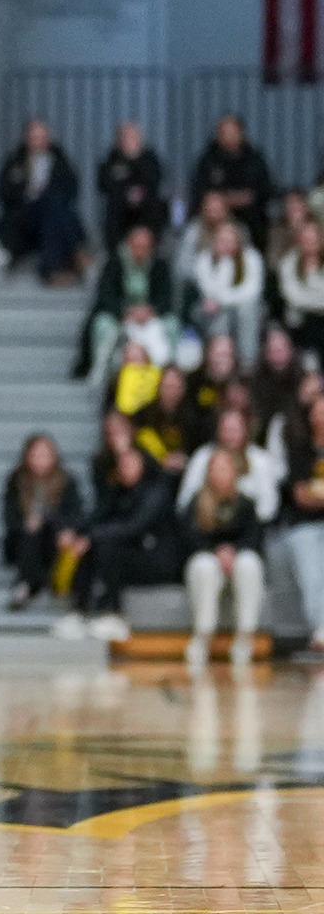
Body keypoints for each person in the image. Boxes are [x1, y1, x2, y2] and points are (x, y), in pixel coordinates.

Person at [53, 446, 176, 642]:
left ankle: (113, 613)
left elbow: (134, 527)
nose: (125, 468)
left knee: (106, 547)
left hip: (157, 560)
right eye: (121, 464)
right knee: (91, 547)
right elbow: (95, 518)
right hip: (127, 555)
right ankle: (79, 611)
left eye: (130, 463)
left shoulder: (157, 491)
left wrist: (91, 538)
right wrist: (74, 533)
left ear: (144, 464)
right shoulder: (117, 491)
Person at [180, 450, 266, 668]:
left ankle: (245, 637)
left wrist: (233, 550)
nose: (220, 474)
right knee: (204, 566)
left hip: (237, 560)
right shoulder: (196, 503)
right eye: (216, 469)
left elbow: (254, 537)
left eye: (225, 469)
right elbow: (189, 538)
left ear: (235, 472)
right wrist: (216, 551)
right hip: (208, 560)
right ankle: (203, 635)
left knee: (249, 563)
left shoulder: (246, 503)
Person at [0, 118, 86, 285]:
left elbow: (72, 189)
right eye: (34, 137)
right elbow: (4, 191)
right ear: (26, 139)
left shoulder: (60, 160)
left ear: (48, 138)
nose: (38, 141)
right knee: (52, 209)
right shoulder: (15, 161)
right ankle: (77, 251)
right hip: (24, 218)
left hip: (52, 215)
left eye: (41, 137)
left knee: (52, 208)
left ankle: (52, 270)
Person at [81, 223, 174, 384]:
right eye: (136, 246)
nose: (140, 251)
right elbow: (105, 296)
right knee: (102, 324)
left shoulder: (160, 265)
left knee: (172, 325)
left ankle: (168, 376)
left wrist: (150, 311)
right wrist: (126, 311)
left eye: (145, 247)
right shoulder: (114, 264)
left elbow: (166, 297)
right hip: (121, 317)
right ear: (128, 245)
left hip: (150, 318)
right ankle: (101, 374)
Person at [2, 434, 83, 610]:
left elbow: (75, 513)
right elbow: (9, 516)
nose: (40, 460)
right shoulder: (17, 481)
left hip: (54, 538)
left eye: (45, 455)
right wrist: (25, 524)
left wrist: (66, 530)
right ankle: (27, 583)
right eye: (36, 455)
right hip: (24, 541)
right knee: (30, 534)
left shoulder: (66, 481)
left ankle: (33, 584)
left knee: (52, 523)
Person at [279, 395, 324, 660]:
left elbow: (310, 494)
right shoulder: (299, 451)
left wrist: (315, 494)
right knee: (312, 575)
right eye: (318, 411)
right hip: (304, 525)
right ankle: (321, 631)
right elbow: (301, 497)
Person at [178, 408, 280, 523]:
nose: (230, 436)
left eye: (235, 430)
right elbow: (185, 500)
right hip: (204, 526)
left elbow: (269, 505)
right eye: (226, 430)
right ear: (217, 431)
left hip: (250, 526)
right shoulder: (203, 456)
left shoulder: (261, 460)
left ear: (246, 431)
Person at [192, 114, 277, 248]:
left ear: (242, 133)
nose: (229, 136)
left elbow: (266, 190)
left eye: (232, 132)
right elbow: (200, 192)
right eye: (224, 133)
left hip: (251, 220)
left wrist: (245, 199)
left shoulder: (255, 159)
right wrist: (224, 201)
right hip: (215, 221)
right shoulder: (208, 160)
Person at [190, 222, 265, 365]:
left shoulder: (251, 257)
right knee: (217, 315)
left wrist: (222, 300)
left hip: (244, 308)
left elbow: (252, 292)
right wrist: (223, 261)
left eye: (230, 241)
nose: (226, 244)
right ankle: (218, 361)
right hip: (213, 309)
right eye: (222, 240)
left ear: (238, 241)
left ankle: (247, 361)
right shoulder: (205, 259)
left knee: (245, 311)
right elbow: (208, 289)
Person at [96, 120, 167, 252]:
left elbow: (153, 181)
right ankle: (116, 253)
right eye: (125, 137)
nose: (129, 141)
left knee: (156, 206)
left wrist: (134, 162)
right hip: (121, 211)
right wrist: (128, 190)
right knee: (113, 207)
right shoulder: (110, 160)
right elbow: (104, 185)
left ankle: (151, 248)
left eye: (133, 137)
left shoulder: (150, 159)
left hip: (145, 209)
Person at [134, 366, 202, 481]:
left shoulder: (194, 415)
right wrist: (162, 459)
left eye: (176, 387)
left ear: (183, 390)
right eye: (168, 386)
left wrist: (186, 460)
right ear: (158, 387)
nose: (172, 392)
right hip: (151, 473)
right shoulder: (144, 415)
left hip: (185, 473)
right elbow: (141, 446)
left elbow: (198, 448)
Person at [279, 220, 324, 361]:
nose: (310, 244)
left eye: (313, 240)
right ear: (299, 241)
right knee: (310, 323)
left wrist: (308, 297)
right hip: (299, 321)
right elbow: (292, 297)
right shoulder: (288, 263)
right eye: (306, 240)